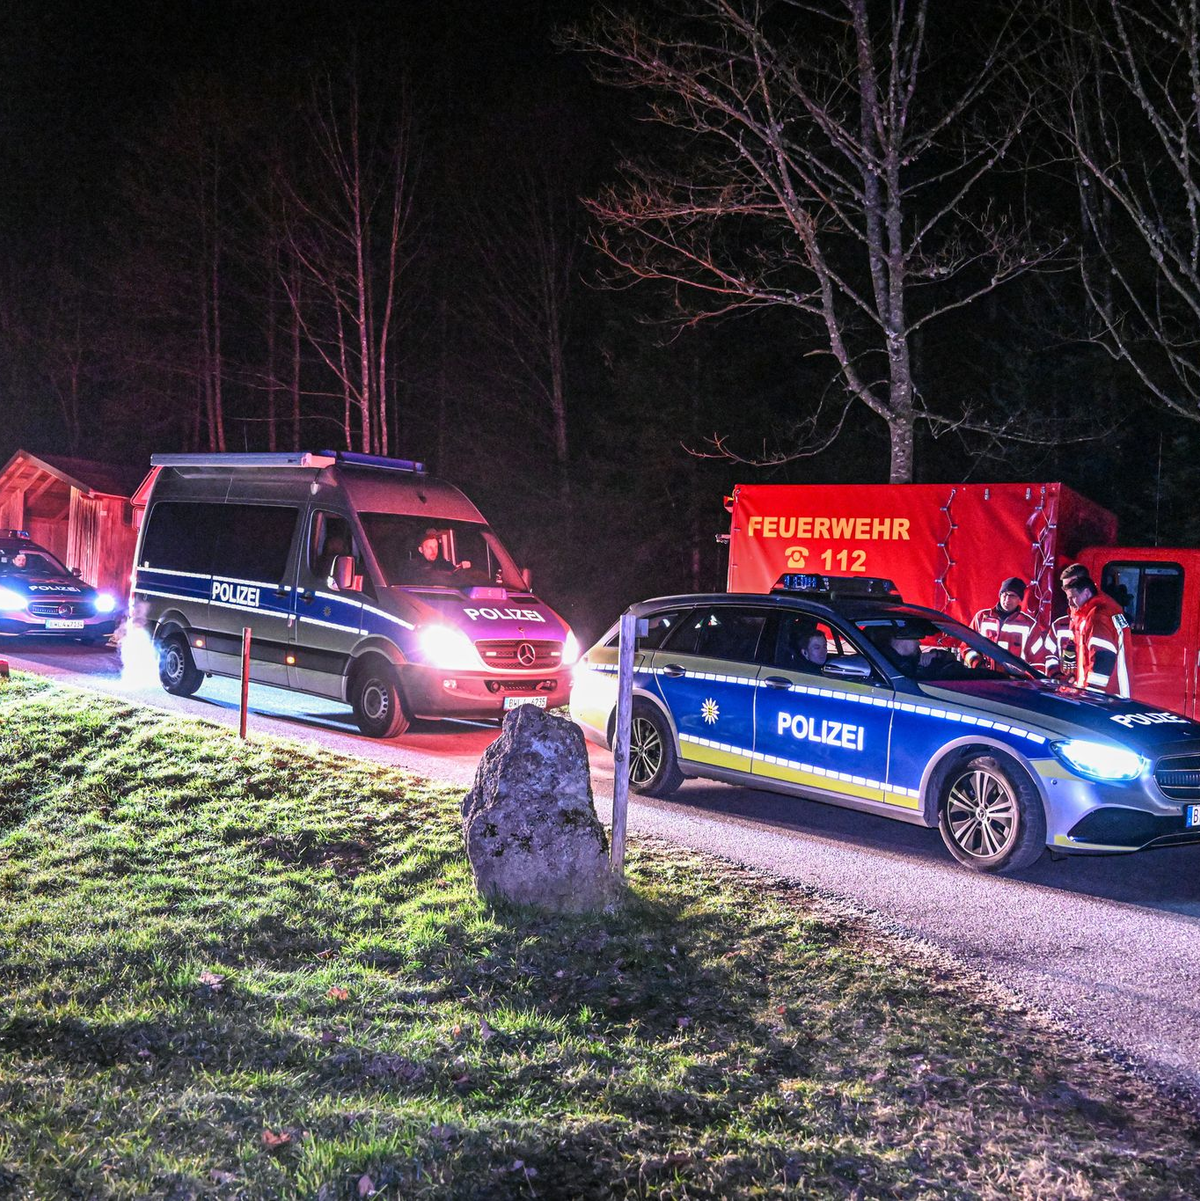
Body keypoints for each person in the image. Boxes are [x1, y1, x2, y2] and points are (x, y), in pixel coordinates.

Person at [1059, 563, 1131, 696]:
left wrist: (1092, 693)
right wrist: (1071, 674)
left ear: (1084, 587)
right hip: (1094, 690)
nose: (1068, 601)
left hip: (1108, 694)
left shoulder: (1099, 614)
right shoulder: (1083, 611)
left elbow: (1103, 659)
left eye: (1070, 587)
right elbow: (1077, 646)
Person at [967, 576, 1056, 670]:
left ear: (1020, 599)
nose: (1007, 600)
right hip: (985, 679)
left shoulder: (1030, 625)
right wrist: (977, 664)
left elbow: (1038, 659)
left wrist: (1028, 680)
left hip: (1014, 682)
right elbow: (967, 645)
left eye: (1012, 596)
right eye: (1004, 594)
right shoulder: (981, 618)